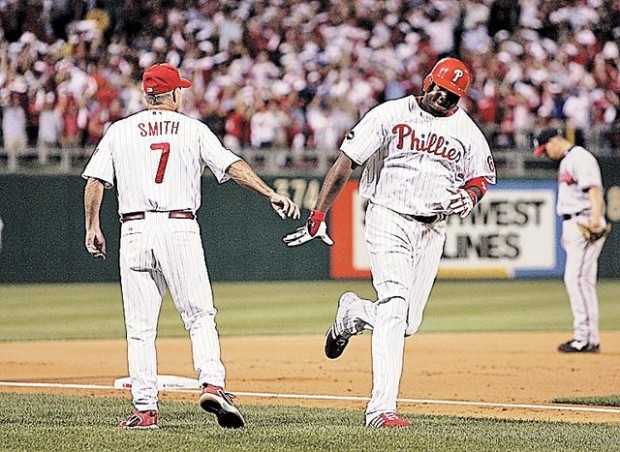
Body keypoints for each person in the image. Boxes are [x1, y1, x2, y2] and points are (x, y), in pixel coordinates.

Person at [82, 63, 300, 429]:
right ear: (174, 94)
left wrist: (92, 226)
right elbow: (232, 167)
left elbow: (95, 181)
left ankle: (144, 410)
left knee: (139, 328)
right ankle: (212, 382)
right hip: (178, 226)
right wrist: (270, 193)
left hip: (133, 229)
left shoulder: (119, 131)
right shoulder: (192, 129)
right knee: (199, 315)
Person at [284, 57, 496, 428]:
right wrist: (318, 215)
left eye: (453, 96)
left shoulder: (467, 131)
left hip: (431, 230)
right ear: (428, 81)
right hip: (388, 217)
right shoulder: (389, 114)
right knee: (395, 307)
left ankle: (351, 314)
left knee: (406, 323)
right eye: (441, 89)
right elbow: (345, 163)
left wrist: (470, 195)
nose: (444, 98)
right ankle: (380, 410)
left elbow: (481, 177)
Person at [533, 128, 609, 353]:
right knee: (581, 280)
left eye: (545, 150)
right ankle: (588, 337)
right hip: (573, 224)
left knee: (576, 279)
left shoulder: (580, 158)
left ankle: (584, 338)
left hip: (584, 221)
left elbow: (594, 191)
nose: (546, 155)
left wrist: (595, 222)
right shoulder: (569, 160)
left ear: (554, 141)